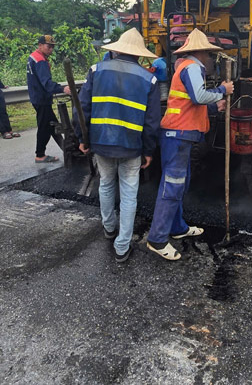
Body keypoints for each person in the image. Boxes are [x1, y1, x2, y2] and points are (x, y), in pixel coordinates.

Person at [146, 29, 233, 261]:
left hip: (180, 135)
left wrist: (215, 106)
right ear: (201, 52)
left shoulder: (185, 67)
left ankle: (177, 227)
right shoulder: (192, 67)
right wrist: (223, 91)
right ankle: (157, 238)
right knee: (172, 186)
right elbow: (198, 97)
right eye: (209, 53)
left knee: (180, 185)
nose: (211, 58)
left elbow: (191, 103)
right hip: (177, 135)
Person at [76, 29, 161, 263]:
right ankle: (122, 247)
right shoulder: (149, 79)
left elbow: (82, 109)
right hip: (131, 147)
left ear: (116, 49)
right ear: (139, 55)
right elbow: (151, 122)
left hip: (101, 142)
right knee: (129, 194)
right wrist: (148, 151)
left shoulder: (96, 71)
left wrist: (82, 139)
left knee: (105, 184)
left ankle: (108, 228)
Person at [27, 34, 70, 163]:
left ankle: (67, 151)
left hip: (37, 96)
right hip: (41, 98)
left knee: (52, 125)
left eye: (52, 47)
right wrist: (62, 89)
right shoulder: (40, 61)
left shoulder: (33, 57)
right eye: (48, 46)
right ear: (40, 45)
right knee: (45, 127)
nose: (50, 49)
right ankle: (40, 155)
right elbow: (46, 82)